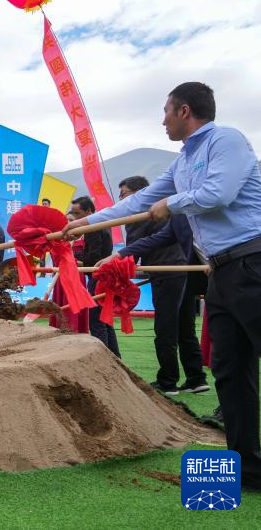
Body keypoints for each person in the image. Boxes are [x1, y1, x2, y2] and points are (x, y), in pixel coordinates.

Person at [63, 82, 261, 492]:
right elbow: (139, 202)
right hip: (220, 270)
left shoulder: (226, 140)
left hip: (253, 259)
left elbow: (218, 194)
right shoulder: (182, 161)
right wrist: (85, 223)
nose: (163, 120)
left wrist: (171, 204)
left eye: (166, 112)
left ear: (184, 110)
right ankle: (248, 468)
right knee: (230, 369)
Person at [99, 176, 207, 395]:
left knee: (166, 328)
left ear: (140, 193)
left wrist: (118, 261)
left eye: (124, 194)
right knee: (185, 327)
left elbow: (137, 248)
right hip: (183, 270)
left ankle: (168, 381)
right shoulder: (166, 210)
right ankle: (196, 379)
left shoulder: (142, 214)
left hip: (168, 273)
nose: (121, 199)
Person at [69, 196, 118, 356]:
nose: (75, 217)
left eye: (78, 213)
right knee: (105, 319)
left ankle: (102, 358)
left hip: (98, 276)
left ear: (89, 211)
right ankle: (115, 357)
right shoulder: (101, 223)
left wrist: (75, 256)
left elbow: (94, 257)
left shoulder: (93, 227)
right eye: (73, 213)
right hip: (103, 275)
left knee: (96, 320)